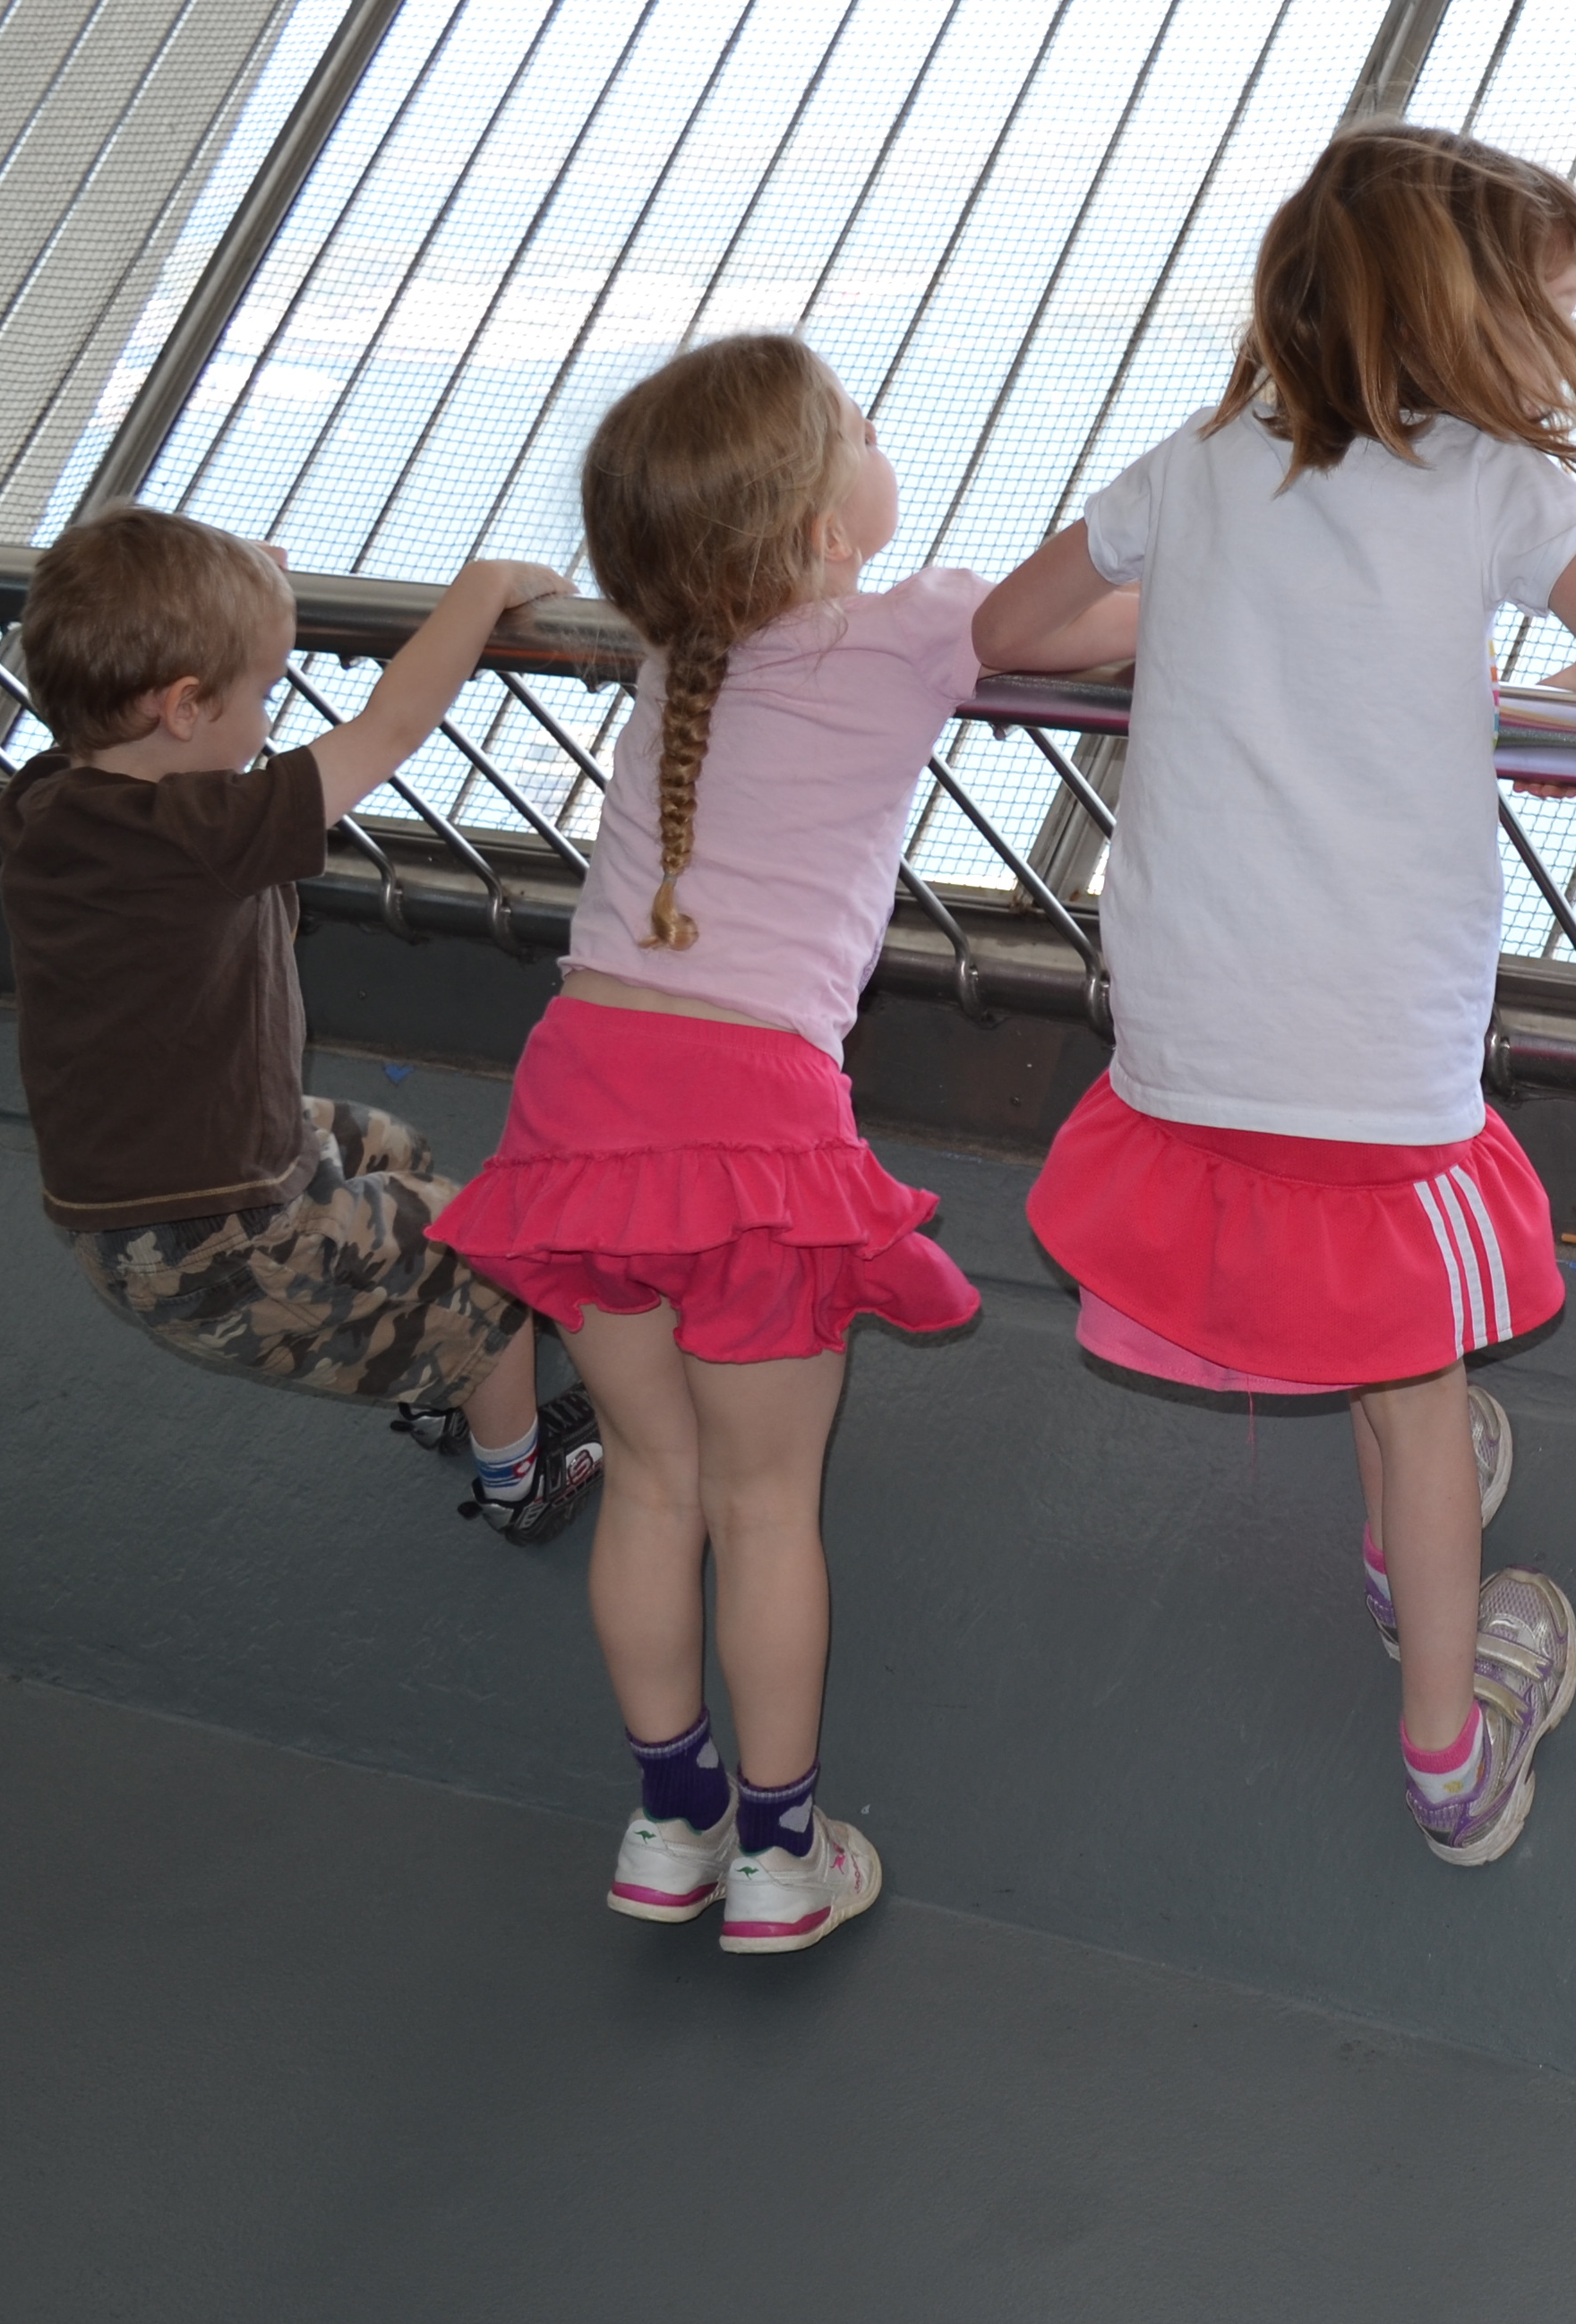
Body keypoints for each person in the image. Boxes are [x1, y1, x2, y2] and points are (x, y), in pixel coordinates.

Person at [975, 122, 1576, 1866]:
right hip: (1371, 1048)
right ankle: (1450, 1748)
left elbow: (1011, 630)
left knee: (1380, 1338)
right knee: (1412, 1377)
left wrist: (1204, 616)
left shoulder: (1199, 461)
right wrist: (1530, 683)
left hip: (1182, 1030)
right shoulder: (1492, 486)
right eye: (1548, 306)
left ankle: (1409, 1538)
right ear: (1463, 313)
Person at [434, 333, 1136, 1954]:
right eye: (864, 428)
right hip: (748, 1123)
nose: (887, 441)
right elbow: (1141, 614)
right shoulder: (918, 624)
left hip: (578, 1091)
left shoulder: (671, 645)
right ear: (826, 525)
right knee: (763, 1507)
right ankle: (776, 1853)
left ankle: (665, 1825)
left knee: (653, 1481)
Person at [0, 508, 598, 1540]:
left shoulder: (54, 800)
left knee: (392, 1152)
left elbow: (135, 623)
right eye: (263, 690)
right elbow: (391, 729)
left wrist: (232, 588)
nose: (271, 715)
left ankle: (423, 1354)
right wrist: (486, 583)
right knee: (488, 1261)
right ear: (183, 707)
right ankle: (519, 1479)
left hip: (160, 1187)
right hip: (218, 1236)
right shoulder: (198, 834)